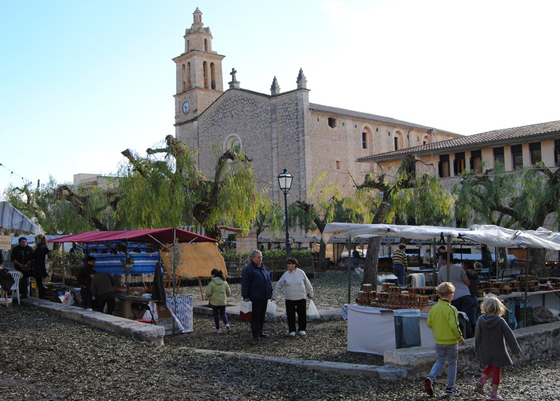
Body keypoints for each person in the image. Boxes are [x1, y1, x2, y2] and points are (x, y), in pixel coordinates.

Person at [475, 295, 521, 400]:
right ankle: (494, 394)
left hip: (486, 349)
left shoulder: (481, 320)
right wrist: (516, 350)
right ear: (498, 308)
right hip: (498, 350)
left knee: (490, 365)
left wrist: (477, 349)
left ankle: (481, 380)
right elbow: (509, 336)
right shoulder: (500, 321)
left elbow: (477, 336)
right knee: (496, 370)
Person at [425, 282, 466, 397]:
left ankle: (431, 377)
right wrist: (460, 338)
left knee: (440, 361)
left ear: (439, 294)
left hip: (438, 340)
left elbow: (429, 323)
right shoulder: (451, 309)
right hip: (451, 341)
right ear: (450, 295)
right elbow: (454, 326)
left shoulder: (434, 308)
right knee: (452, 363)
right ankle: (450, 388)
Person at [271, 258, 314, 337]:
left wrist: (311, 293)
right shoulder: (286, 274)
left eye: (290, 263)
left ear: (294, 264)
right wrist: (274, 296)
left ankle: (302, 329)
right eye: (287, 263)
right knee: (290, 315)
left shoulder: (301, 272)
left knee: (302, 314)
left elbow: (307, 283)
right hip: (289, 298)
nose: (288, 265)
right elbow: (279, 285)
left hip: (301, 297)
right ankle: (292, 330)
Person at [438, 252, 476, 338]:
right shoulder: (459, 269)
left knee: (455, 318)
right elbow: (467, 282)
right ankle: (468, 336)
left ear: (444, 260)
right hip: (465, 295)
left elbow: (441, 283)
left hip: (453, 296)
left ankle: (459, 336)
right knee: (465, 317)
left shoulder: (441, 270)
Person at [241, 250, 272, 340]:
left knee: (262, 315)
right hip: (255, 297)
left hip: (264, 296)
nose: (260, 259)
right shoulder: (248, 269)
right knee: (255, 316)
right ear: (253, 258)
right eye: (258, 257)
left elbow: (268, 280)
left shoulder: (264, 268)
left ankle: (260, 331)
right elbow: (245, 283)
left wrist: (270, 292)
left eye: (261, 257)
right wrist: (245, 296)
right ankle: (255, 333)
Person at [205, 268, 231, 334]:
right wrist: (225, 296)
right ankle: (227, 324)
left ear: (213, 275)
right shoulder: (224, 282)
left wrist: (208, 296)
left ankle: (218, 329)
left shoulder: (211, 283)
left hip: (214, 301)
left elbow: (208, 293)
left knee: (216, 315)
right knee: (223, 314)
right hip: (223, 301)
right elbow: (229, 292)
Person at [462, 259, 480, 333]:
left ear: (466, 265)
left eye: (462, 265)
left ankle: (469, 334)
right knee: (473, 318)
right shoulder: (475, 273)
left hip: (467, 296)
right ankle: (475, 333)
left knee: (466, 318)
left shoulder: (465, 273)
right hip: (475, 296)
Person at [31, 234, 49, 299]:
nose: (35, 241)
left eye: (36, 239)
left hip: (39, 267)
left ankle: (41, 296)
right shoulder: (43, 247)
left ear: (40, 239)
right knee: (39, 283)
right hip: (40, 266)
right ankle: (41, 295)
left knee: (39, 283)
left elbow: (33, 256)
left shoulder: (40, 248)